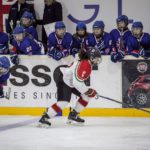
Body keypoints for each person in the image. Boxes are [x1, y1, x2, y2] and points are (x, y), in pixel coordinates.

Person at [38, 47, 101, 127]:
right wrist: (89, 91)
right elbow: (77, 83)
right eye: (96, 59)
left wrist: (88, 92)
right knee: (64, 102)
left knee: (86, 96)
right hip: (64, 79)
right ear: (91, 57)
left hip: (71, 81)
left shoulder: (87, 63)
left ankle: (73, 115)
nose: (97, 61)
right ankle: (44, 117)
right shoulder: (85, 64)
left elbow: (78, 81)